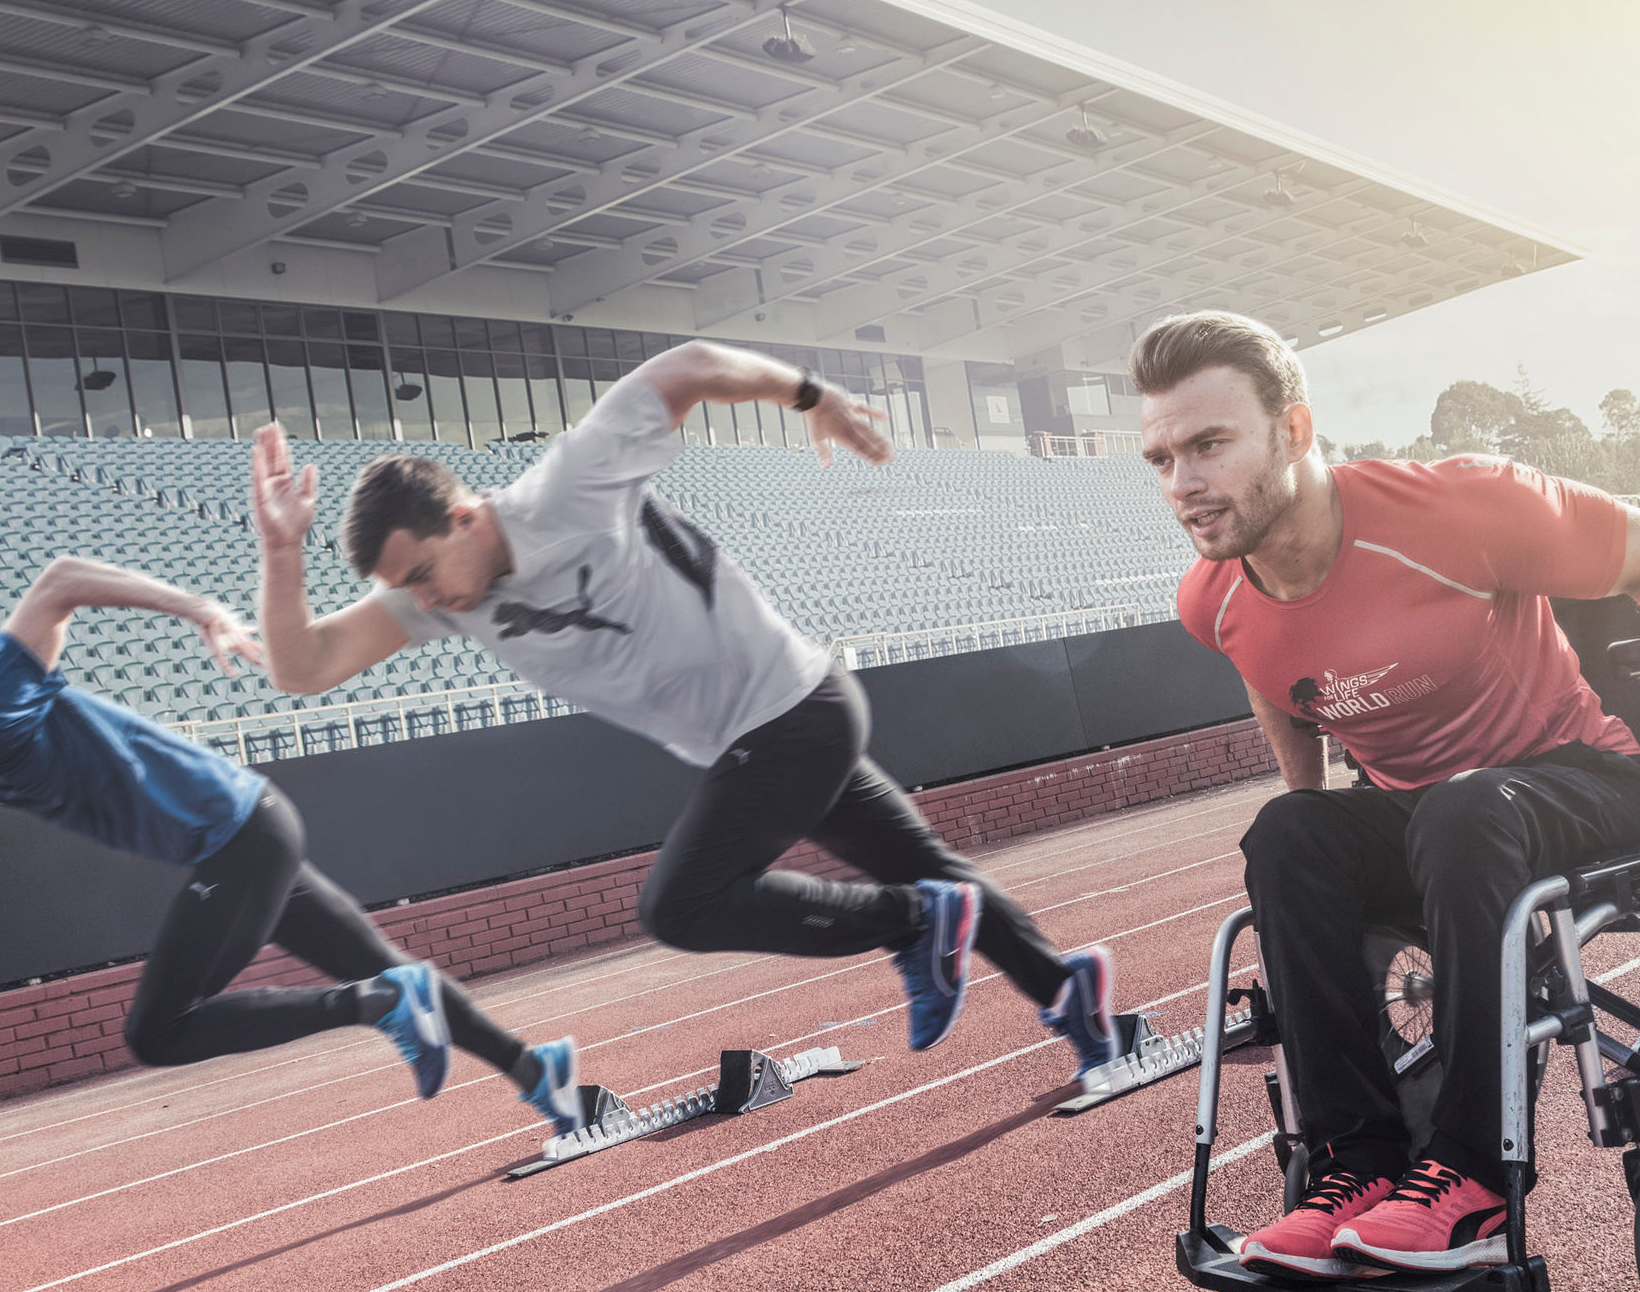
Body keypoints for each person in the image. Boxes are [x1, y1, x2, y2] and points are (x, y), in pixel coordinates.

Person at [1137, 311, 1640, 1279]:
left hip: (1580, 779)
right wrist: (1313, 813)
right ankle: (1351, 1171)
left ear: (1292, 431)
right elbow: (1267, 668)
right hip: (1436, 821)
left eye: (1208, 445)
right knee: (1286, 833)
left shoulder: (1451, 509)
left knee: (1463, 807)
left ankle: (1470, 1182)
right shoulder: (1213, 596)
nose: (1184, 484)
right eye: (1161, 458)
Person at [245, 342, 1119, 1078]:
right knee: (927, 863)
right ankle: (1072, 995)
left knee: (683, 905)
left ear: (466, 517)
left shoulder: (568, 486)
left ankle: (916, 922)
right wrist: (281, 552)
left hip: (786, 716)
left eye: (422, 574)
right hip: (777, 726)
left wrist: (809, 395)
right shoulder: (444, 599)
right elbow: (305, 667)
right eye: (403, 591)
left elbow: (690, 366)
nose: (422, 602)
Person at [0, 556, 586, 1130]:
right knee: (382, 959)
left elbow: (61, 578)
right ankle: (539, 1070)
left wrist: (197, 607)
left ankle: (379, 1004)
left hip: (237, 838)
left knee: (161, 1029)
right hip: (243, 830)